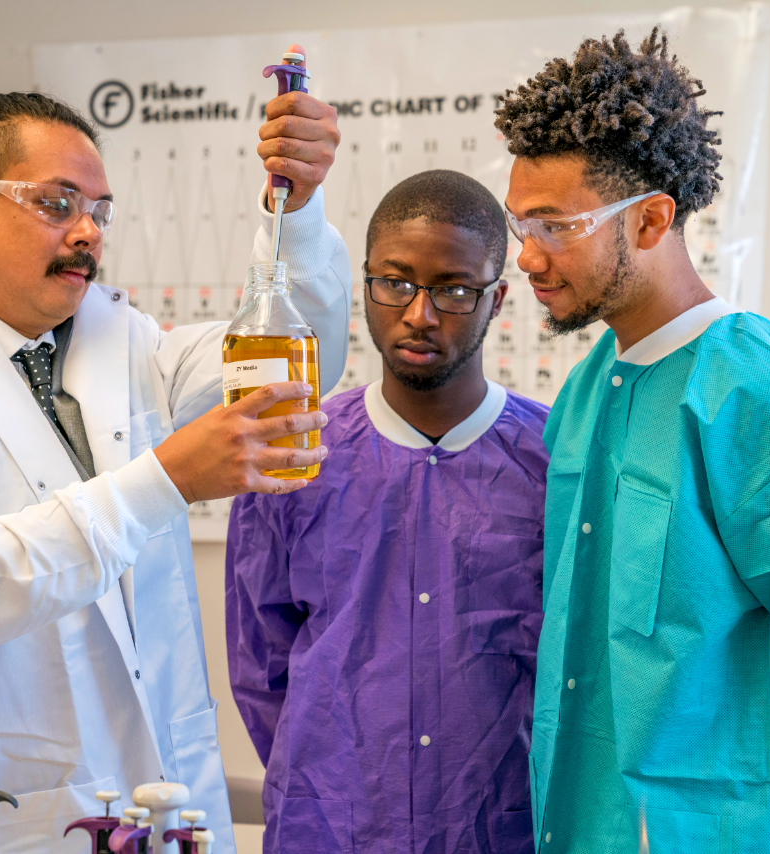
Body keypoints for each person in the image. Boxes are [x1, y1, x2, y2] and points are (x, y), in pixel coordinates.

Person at [0, 65, 350, 853]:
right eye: (57, 204)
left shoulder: (128, 348)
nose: (88, 232)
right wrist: (164, 482)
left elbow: (297, 368)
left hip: (151, 802)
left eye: (99, 212)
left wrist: (294, 206)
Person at [496, 28, 770, 852]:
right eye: (521, 221)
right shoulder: (588, 391)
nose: (526, 255)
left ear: (653, 220)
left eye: (556, 225)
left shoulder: (764, 395)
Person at [227, 170, 548, 854]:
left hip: (505, 829)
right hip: (330, 827)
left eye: (454, 290)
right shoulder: (294, 453)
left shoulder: (555, 465)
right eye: (395, 283)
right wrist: (330, 781)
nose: (419, 314)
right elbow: (261, 666)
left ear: (496, 300)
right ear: (365, 284)